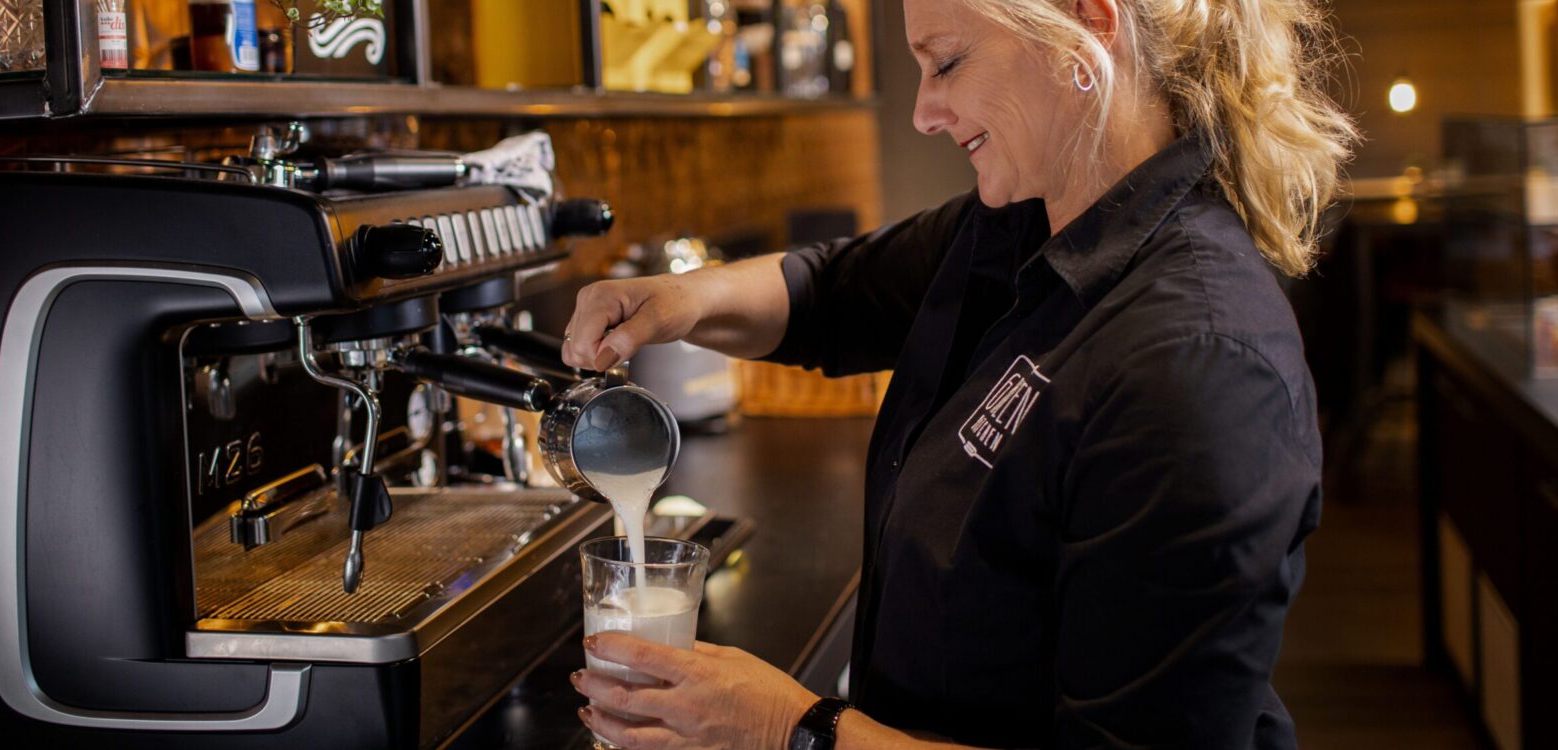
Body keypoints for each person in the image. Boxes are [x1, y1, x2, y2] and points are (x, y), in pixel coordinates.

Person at [564, 0, 1356, 746]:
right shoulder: (1025, 220)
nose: (922, 111)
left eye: (945, 63)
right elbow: (833, 293)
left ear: (1088, 24)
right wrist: (672, 302)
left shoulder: (1195, 363)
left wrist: (789, 728)